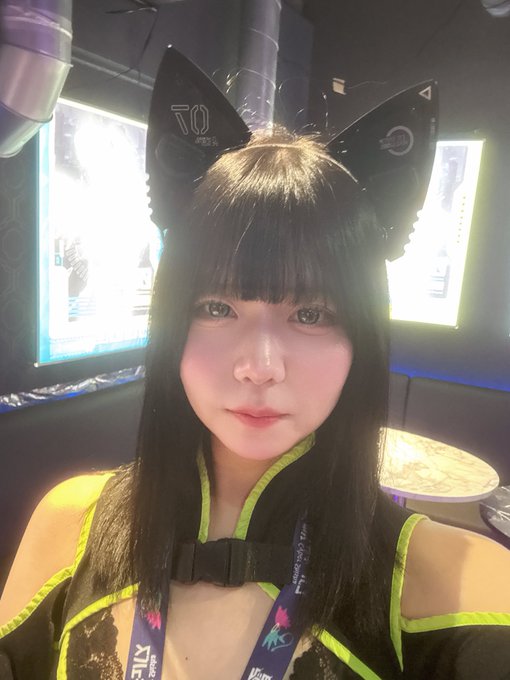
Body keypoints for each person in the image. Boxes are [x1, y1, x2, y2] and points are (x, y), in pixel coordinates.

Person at [1, 49, 510, 680]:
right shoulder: (68, 526)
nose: (260, 367)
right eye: (217, 307)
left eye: (311, 314)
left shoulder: (450, 587)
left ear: (363, 335)